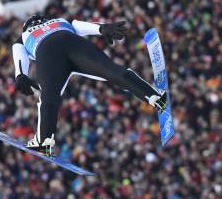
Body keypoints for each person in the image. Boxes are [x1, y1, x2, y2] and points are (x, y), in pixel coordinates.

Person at [11, 14, 167, 155]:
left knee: (48, 98)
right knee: (113, 71)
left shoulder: (24, 36)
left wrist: (20, 74)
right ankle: (155, 97)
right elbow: (78, 25)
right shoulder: (59, 21)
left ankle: (44, 141)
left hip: (47, 51)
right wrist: (102, 28)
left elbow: (18, 52)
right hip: (72, 42)